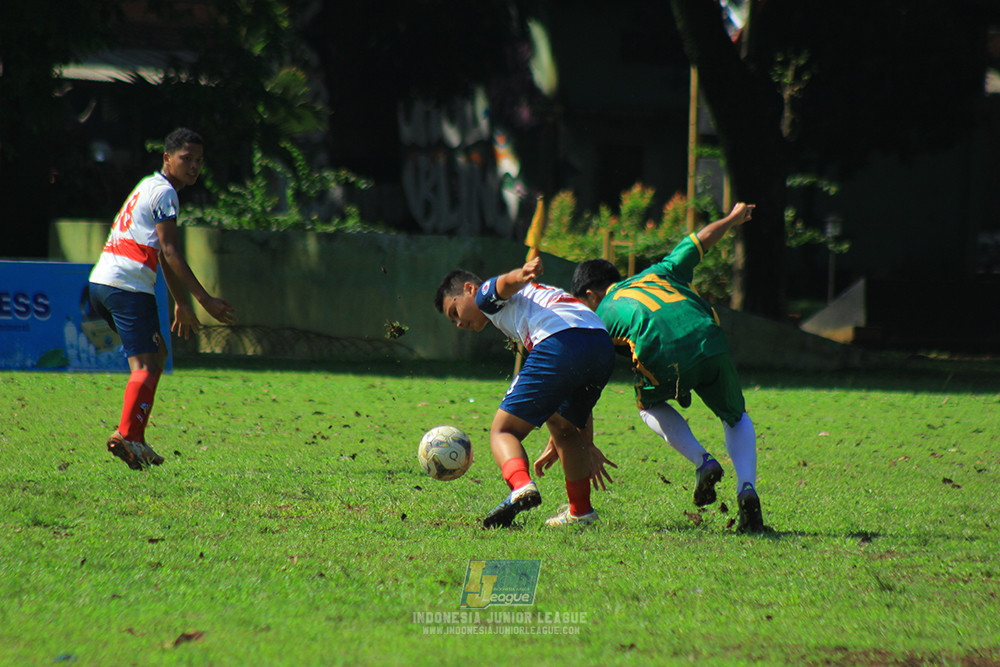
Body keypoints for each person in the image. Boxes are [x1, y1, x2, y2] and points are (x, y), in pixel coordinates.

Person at [548, 202, 766, 533]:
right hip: (709, 338)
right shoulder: (657, 272)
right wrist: (733, 219)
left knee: (647, 405)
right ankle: (746, 487)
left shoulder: (599, 315)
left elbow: (584, 382)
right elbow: (701, 240)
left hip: (664, 351)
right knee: (735, 416)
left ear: (590, 294)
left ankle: (703, 461)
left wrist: (571, 434)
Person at [89, 128, 237, 470]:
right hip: (127, 286)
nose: (194, 166)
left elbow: (160, 252)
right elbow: (170, 252)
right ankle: (128, 436)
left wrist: (181, 303)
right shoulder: (166, 193)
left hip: (103, 283)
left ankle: (137, 440)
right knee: (145, 365)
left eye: (199, 160)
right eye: (187, 158)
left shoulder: (148, 185)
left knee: (156, 355)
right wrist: (205, 300)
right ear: (167, 158)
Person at [434, 256, 615, 528]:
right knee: (564, 428)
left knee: (503, 431)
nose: (459, 323)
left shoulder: (484, 296)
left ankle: (520, 486)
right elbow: (580, 405)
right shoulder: (534, 301)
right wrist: (587, 443)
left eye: (455, 312)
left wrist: (521, 274)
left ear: (469, 289)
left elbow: (504, 283)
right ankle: (581, 512)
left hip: (559, 340)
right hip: (601, 344)